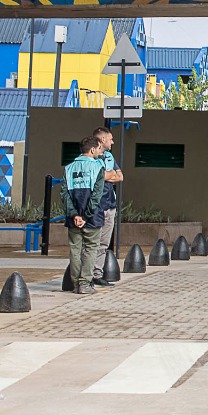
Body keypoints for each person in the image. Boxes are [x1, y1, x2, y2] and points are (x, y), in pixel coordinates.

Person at [64, 136, 106, 294]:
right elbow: (96, 196)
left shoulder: (68, 168)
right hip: (92, 218)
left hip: (72, 219)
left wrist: (75, 215)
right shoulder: (98, 167)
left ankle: (75, 284)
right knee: (90, 249)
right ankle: (85, 284)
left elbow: (65, 195)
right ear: (93, 149)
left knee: (75, 250)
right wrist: (86, 216)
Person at [90, 126, 124, 288]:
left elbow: (120, 176)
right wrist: (108, 175)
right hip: (95, 205)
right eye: (110, 139)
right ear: (102, 140)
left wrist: (107, 176)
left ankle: (97, 274)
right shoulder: (91, 156)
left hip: (110, 204)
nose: (113, 141)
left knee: (103, 243)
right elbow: (99, 175)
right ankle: (86, 275)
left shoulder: (109, 156)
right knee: (91, 243)